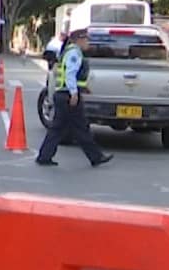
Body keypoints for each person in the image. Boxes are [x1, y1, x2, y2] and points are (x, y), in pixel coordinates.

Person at [36, 31, 112, 168]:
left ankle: (44, 156)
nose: (88, 43)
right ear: (79, 40)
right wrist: (74, 93)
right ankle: (96, 156)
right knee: (80, 127)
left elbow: (72, 76)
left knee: (59, 128)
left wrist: (82, 88)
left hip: (63, 95)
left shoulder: (70, 51)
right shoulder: (74, 53)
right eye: (86, 40)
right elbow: (70, 74)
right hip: (68, 96)